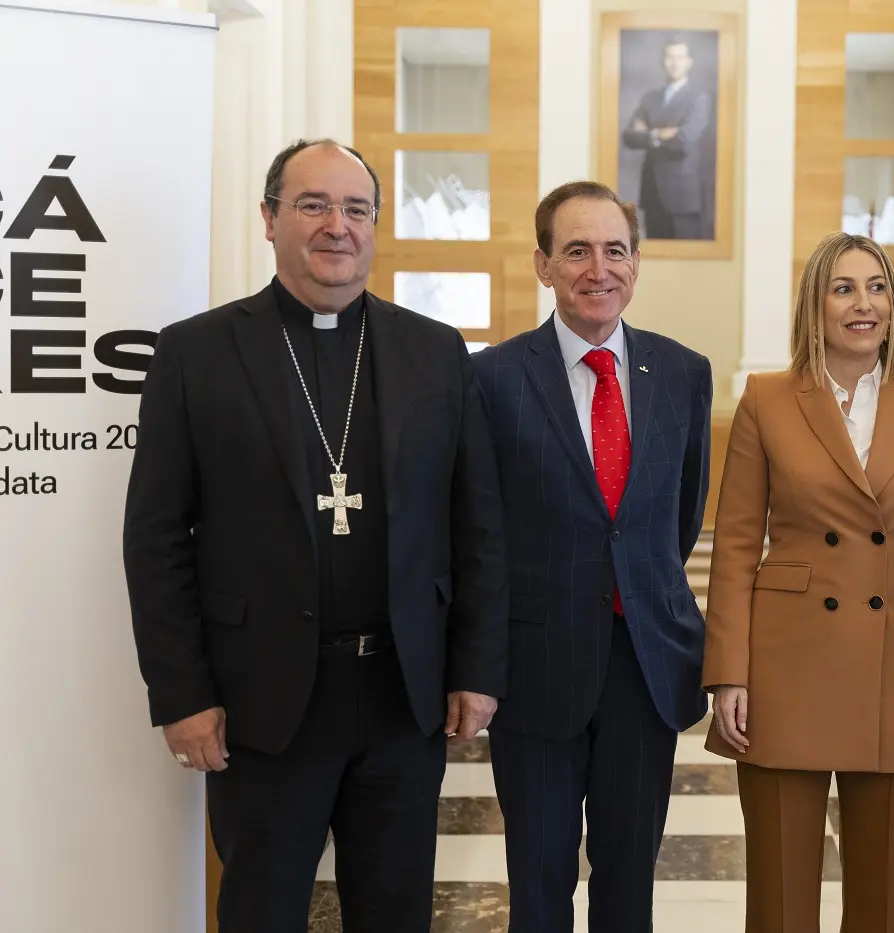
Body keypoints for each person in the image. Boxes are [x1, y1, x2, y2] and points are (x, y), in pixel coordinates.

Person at [122, 138, 508, 932]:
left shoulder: (434, 350)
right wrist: (182, 693)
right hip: (260, 701)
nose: (338, 225)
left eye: (356, 208)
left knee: (395, 913)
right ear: (269, 219)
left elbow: (477, 525)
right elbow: (156, 538)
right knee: (261, 912)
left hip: (401, 697)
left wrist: (476, 666)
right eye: (314, 205)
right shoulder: (196, 353)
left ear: (375, 225)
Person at [703, 231, 894, 932]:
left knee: (882, 902)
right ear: (814, 306)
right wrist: (728, 672)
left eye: (877, 287)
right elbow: (736, 544)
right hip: (785, 663)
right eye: (843, 288)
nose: (864, 304)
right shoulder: (767, 398)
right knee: (780, 900)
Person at [470, 180, 712, 932]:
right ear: (543, 264)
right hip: (535, 667)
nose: (598, 269)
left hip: (645, 664)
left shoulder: (684, 373)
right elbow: (479, 534)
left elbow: (680, 515)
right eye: (577, 251)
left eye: (615, 250)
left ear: (636, 263)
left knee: (629, 877)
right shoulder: (492, 378)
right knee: (538, 880)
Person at [621, 36, 712, 240]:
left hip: (683, 197)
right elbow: (629, 136)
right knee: (655, 254)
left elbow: (684, 140)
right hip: (652, 192)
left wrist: (648, 133)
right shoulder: (650, 98)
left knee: (685, 257)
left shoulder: (699, 98)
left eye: (680, 57)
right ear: (663, 61)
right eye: (670, 57)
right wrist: (661, 134)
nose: (674, 63)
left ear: (689, 62)